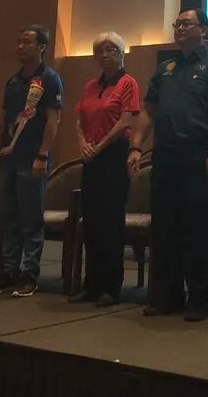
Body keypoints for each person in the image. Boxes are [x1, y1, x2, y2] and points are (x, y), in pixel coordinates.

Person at [128, 8, 208, 321]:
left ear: (204, 29)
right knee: (163, 228)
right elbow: (148, 111)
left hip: (197, 156)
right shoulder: (165, 68)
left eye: (187, 24)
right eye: (177, 24)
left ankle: (198, 298)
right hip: (164, 157)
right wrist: (135, 147)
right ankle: (166, 297)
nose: (180, 28)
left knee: (195, 229)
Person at [0, 25, 63, 298]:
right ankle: (8, 272)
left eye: (27, 42)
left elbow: (53, 121)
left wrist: (43, 154)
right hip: (9, 159)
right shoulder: (13, 81)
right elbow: (2, 119)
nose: (20, 47)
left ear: (42, 47)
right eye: (18, 42)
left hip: (33, 159)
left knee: (31, 219)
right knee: (9, 219)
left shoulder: (50, 79)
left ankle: (29, 275)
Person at [69, 32, 139, 307]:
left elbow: (125, 121)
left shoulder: (128, 82)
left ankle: (111, 287)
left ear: (121, 54)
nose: (105, 55)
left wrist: (99, 146)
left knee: (110, 222)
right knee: (92, 221)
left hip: (113, 155)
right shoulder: (90, 85)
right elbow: (79, 121)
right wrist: (83, 144)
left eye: (111, 50)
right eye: (100, 51)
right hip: (91, 156)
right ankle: (92, 284)